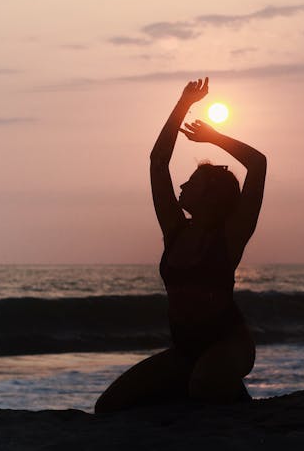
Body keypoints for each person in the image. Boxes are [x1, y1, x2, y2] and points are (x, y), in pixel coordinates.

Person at [94, 77, 267, 412]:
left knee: (202, 387)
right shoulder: (174, 228)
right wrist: (183, 103)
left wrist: (215, 138)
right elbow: (158, 162)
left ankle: (230, 398)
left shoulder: (231, 236)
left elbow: (258, 164)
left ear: (212, 196)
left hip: (229, 344)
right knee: (109, 407)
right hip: (186, 349)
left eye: (194, 181)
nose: (183, 185)